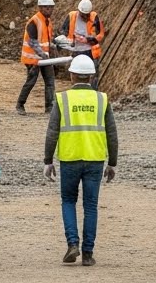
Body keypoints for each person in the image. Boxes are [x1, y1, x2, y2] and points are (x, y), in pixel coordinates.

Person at [44, 55, 117, 267]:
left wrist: (48, 160)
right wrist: (112, 162)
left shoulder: (62, 99)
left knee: (68, 201)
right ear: (92, 76)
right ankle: (87, 253)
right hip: (94, 159)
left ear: (72, 75)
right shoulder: (102, 99)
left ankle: (72, 243)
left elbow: (52, 132)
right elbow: (112, 133)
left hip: (70, 158)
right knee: (91, 206)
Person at [16, 0, 57, 115]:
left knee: (50, 82)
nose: (49, 9)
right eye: (46, 7)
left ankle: (49, 107)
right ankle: (20, 104)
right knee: (31, 82)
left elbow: (47, 41)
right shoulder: (34, 21)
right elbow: (32, 42)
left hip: (44, 58)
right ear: (40, 7)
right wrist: (42, 54)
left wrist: (54, 46)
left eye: (50, 7)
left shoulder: (47, 21)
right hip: (32, 59)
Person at [60, 0, 106, 84]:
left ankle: (93, 93)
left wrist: (88, 39)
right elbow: (63, 31)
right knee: (76, 75)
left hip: (91, 52)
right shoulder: (71, 16)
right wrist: (72, 38)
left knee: (93, 76)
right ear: (79, 11)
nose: (85, 17)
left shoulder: (94, 16)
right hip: (76, 51)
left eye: (87, 15)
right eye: (83, 14)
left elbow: (101, 34)